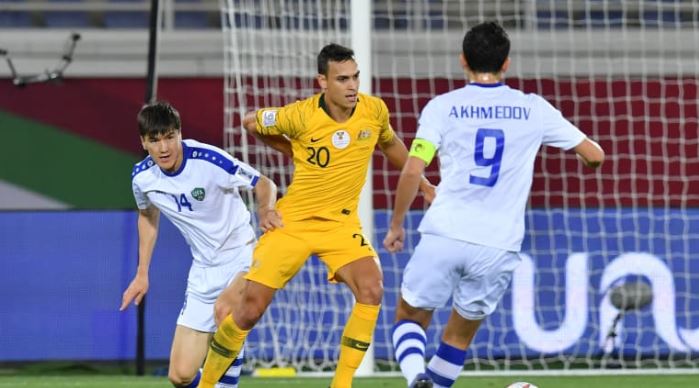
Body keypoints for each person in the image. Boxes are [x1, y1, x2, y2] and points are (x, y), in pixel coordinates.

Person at [197, 43, 435, 388]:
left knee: (372, 289)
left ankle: (341, 385)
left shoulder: (374, 110)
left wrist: (425, 185)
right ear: (322, 82)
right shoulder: (300, 115)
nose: (352, 86)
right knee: (249, 310)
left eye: (355, 77)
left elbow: (389, 142)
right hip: (293, 222)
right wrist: (292, 147)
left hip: (341, 225)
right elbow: (251, 122)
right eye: (342, 79)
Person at [383, 21, 605, 388]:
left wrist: (396, 225)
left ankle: (414, 379)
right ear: (507, 64)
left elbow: (412, 170)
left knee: (409, 316)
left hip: (446, 231)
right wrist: (587, 161)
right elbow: (595, 155)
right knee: (457, 337)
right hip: (498, 244)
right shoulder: (534, 108)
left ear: (462, 61)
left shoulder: (444, 107)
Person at [120, 102, 282, 388]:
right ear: (143, 142)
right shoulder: (142, 179)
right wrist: (142, 272)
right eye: (155, 140)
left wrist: (266, 211)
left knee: (225, 313)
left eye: (170, 136)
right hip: (203, 269)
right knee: (180, 376)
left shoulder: (208, 160)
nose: (164, 147)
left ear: (179, 134)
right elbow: (147, 216)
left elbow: (264, 183)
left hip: (243, 255)